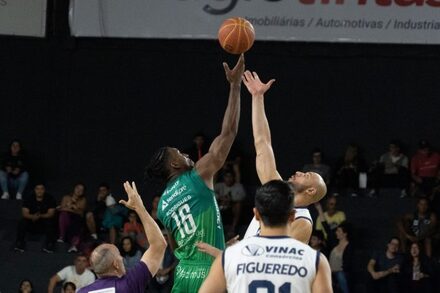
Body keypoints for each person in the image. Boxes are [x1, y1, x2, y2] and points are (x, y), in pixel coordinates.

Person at [146, 54, 244, 293]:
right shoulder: (197, 175)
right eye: (178, 153)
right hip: (209, 272)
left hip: (184, 274)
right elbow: (229, 133)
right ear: (175, 165)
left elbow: (176, 246)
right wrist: (235, 86)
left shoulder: (163, 206)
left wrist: (218, 243)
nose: (185, 154)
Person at [199, 180, 333, 293]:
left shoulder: (231, 256)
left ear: (256, 214)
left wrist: (222, 255)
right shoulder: (316, 260)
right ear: (292, 216)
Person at [241, 70, 327, 244]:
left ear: (311, 190)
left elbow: (283, 266)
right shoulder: (276, 191)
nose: (299, 172)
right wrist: (257, 97)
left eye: (306, 175)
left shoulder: (302, 222)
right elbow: (262, 143)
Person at [78, 181, 167, 293]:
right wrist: (139, 208)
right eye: (119, 256)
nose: (122, 259)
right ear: (115, 264)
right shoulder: (129, 283)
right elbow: (158, 245)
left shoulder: (81, 292)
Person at [14, 183, 56, 253]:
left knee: (50, 221)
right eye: (37, 189)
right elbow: (25, 213)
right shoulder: (29, 198)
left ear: (44, 190)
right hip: (32, 222)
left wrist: (40, 216)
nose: (39, 191)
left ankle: (50, 244)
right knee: (22, 221)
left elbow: (51, 214)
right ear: (34, 190)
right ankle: (20, 243)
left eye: (41, 189)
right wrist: (33, 216)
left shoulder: (50, 198)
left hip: (43, 223)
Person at [214, 169, 246, 239]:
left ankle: (232, 228)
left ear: (233, 178)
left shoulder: (238, 186)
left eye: (230, 177)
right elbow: (211, 194)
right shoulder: (219, 185)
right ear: (224, 178)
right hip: (220, 207)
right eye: (227, 177)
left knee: (238, 204)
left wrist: (230, 200)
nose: (228, 179)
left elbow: (242, 197)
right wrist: (221, 198)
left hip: (231, 209)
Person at [58, 183, 88, 253]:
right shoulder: (66, 197)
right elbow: (62, 209)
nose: (79, 191)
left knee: (77, 223)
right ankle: (62, 236)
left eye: (81, 190)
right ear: (74, 188)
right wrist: (73, 208)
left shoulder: (83, 200)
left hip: (76, 219)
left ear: (83, 192)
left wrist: (70, 207)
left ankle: (74, 245)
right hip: (67, 219)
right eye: (77, 188)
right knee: (63, 214)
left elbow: (81, 213)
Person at [329, 222, 354, 293]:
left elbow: (347, 264)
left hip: (341, 272)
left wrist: (335, 270)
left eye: (339, 231)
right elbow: (328, 230)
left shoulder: (349, 246)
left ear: (345, 234)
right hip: (330, 272)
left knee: (340, 275)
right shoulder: (335, 243)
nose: (336, 232)